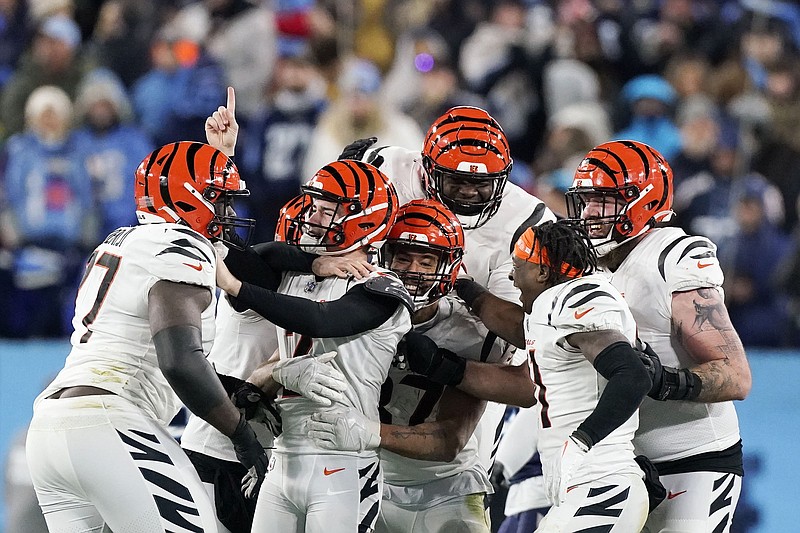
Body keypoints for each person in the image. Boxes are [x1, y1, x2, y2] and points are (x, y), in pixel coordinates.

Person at [24, 139, 269, 532]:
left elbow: (153, 350)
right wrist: (240, 433)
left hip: (52, 427)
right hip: (110, 424)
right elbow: (179, 359)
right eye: (220, 200)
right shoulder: (181, 247)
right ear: (189, 199)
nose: (229, 212)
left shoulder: (121, 241)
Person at [342, 105, 557, 477]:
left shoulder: (527, 222)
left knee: (460, 463)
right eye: (457, 180)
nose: (470, 193)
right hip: (369, 326)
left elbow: (529, 331)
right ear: (427, 170)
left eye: (482, 183)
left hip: (461, 346)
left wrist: (458, 284)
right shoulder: (385, 167)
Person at [214, 158, 414, 533]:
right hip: (284, 455)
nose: (314, 218)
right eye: (315, 208)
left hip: (345, 456)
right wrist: (222, 164)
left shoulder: (383, 285)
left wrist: (238, 287)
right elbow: (249, 255)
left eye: (326, 211)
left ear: (362, 218)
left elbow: (321, 319)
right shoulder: (299, 272)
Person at [564, 139, 751, 532]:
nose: (590, 213)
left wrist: (664, 381)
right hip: (617, 463)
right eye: (586, 200)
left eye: (605, 200)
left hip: (694, 458)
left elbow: (735, 376)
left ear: (642, 202)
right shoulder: (579, 263)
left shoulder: (671, 259)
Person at [419, 220, 652, 531]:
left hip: (603, 484)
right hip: (586, 488)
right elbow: (515, 326)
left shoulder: (579, 297)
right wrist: (463, 286)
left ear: (543, 272)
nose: (512, 277)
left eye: (518, 266)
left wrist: (581, 441)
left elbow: (632, 375)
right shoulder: (551, 307)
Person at [309, 198, 511, 532]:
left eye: (426, 260)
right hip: (361, 479)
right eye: (403, 258)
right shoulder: (347, 311)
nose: (413, 271)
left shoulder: (471, 333)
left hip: (444, 488)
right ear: (384, 258)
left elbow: (450, 440)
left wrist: (369, 432)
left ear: (449, 267)